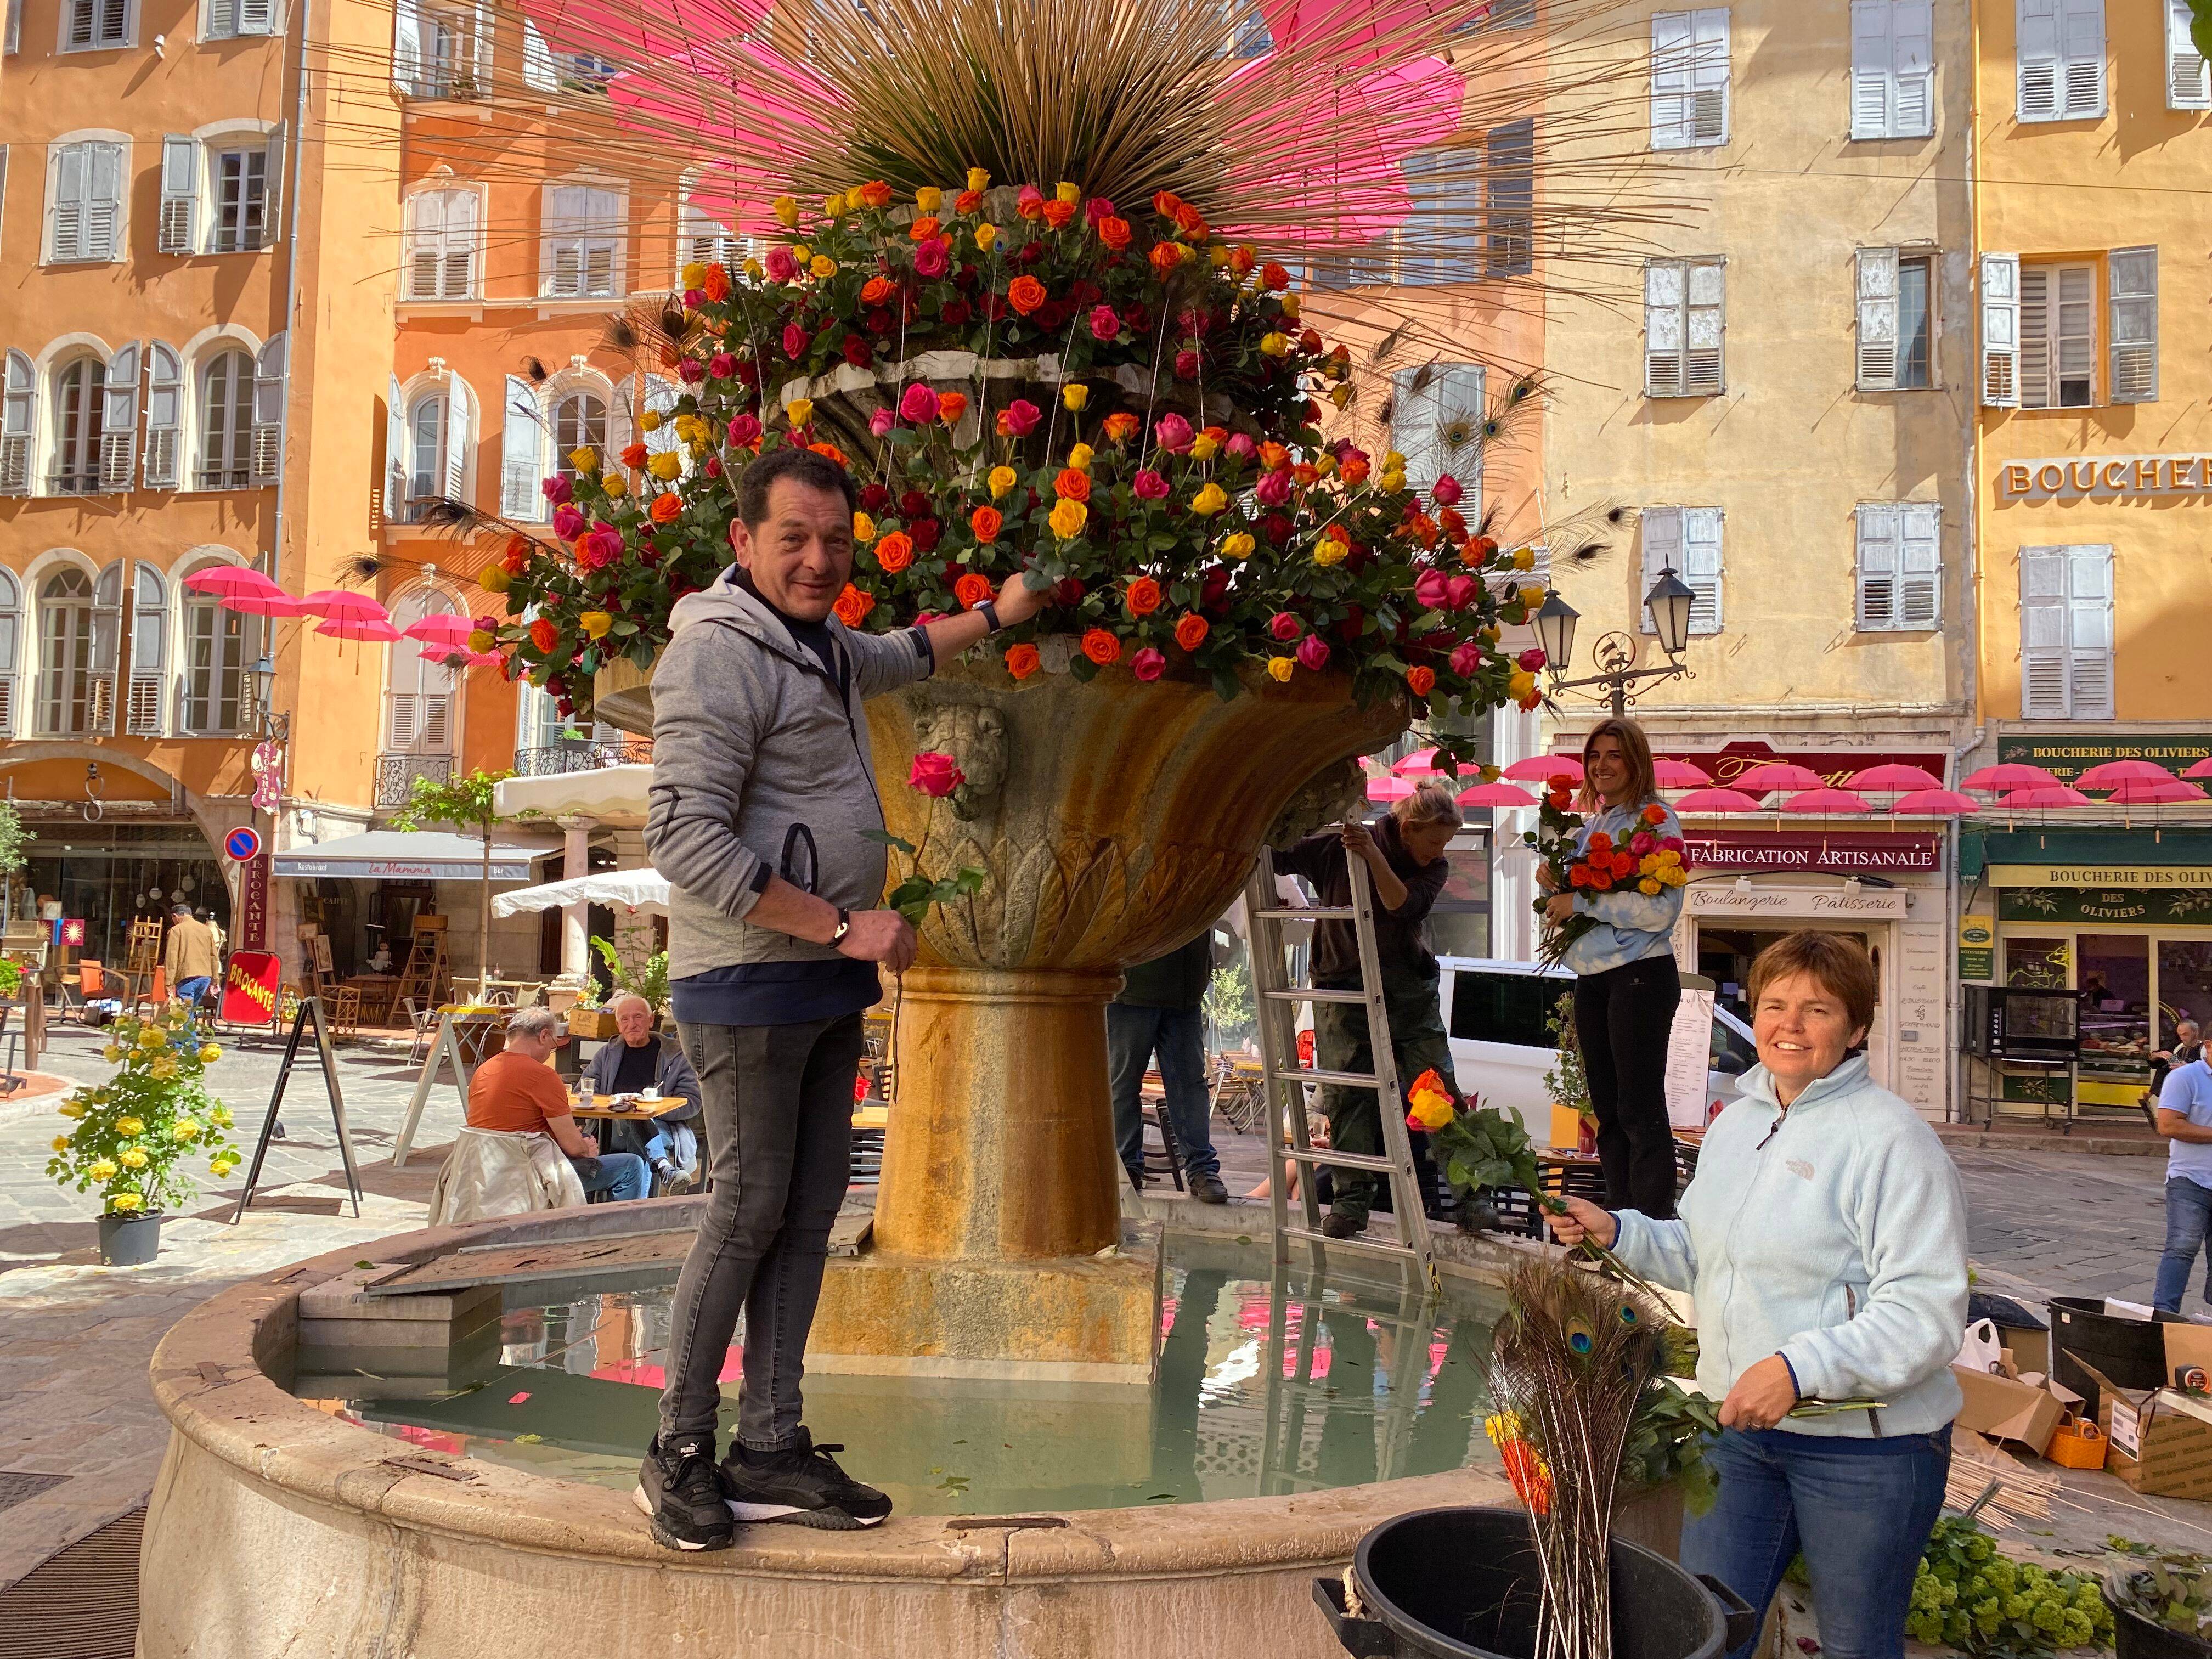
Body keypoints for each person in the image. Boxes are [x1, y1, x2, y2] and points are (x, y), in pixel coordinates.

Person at [639, 443, 1047, 1551]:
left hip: (819, 979)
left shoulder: (814, 646)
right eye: (794, 539)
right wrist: (837, 922)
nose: (818, 560)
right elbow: (678, 835)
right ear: (744, 543)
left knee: (810, 1214)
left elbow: (907, 653)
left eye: (834, 541)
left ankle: (770, 1441)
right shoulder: (721, 655)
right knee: (746, 1209)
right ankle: (678, 1447)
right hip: (748, 976)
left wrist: (997, 616)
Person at [1548, 932, 1966, 1659]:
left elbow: (1924, 1314)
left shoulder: (1894, 1141)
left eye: (1817, 1009)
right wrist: (1615, 1232)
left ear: (1857, 1027)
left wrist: (1797, 1369)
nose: (1789, 1026)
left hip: (1866, 1450)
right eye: (1774, 1005)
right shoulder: (1737, 1124)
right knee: (1703, 1636)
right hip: (1738, 1434)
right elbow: (1704, 1253)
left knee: (1857, 1647)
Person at [1274, 778, 1462, 1240]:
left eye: (1446, 843)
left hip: (1407, 988)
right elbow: (1277, 853)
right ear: (1408, 827)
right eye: (1434, 840)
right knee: (1348, 1097)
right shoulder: (1339, 843)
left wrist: (1372, 857)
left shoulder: (1432, 868)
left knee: (1436, 1091)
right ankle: (1351, 1204)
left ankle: (1469, 1196)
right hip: (1342, 982)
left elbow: (1403, 904)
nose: (1439, 851)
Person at [1540, 716, 1687, 1218]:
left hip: (1640, 974)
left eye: (1613, 756)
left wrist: (1581, 903)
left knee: (1638, 1111)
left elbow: (1661, 910)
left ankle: (1650, 1227)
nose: (1600, 766)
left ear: (1636, 761)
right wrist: (1553, 886)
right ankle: (1618, 1223)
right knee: (1607, 1112)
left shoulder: (1656, 820)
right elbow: (1574, 902)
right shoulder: (1596, 825)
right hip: (1595, 978)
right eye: (1594, 756)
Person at [467, 1007, 650, 1203]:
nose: (550, 1052)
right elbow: (573, 1148)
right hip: (532, 1178)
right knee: (632, 1165)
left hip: (487, 1174)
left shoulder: (483, 1071)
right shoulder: (542, 1075)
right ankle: (615, 1232)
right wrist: (584, 1148)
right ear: (544, 1036)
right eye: (553, 1046)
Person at [1110, 931, 1227, 1203]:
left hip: (1184, 989)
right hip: (1132, 986)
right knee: (1123, 1082)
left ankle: (1201, 1168)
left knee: (1190, 1085)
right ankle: (1127, 1167)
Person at [580, 992, 704, 1192]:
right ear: (619, 1026)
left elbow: (692, 1102)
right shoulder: (607, 1054)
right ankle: (664, 1170)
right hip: (610, 1128)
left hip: (662, 1129)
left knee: (636, 1130)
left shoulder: (675, 1055)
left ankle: (628, 1211)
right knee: (632, 1124)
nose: (632, 1024)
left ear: (651, 1020)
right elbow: (583, 1091)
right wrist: (614, 1105)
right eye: (625, 1020)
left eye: (638, 1017)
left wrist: (652, 1108)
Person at [2152, 1040, 2212, 1314]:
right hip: (2191, 1180)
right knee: (2182, 1247)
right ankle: (2164, 1316)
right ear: (2208, 1045)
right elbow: (2167, 1124)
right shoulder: (2184, 1078)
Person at [163, 903, 218, 1009]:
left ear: (175, 916)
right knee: (193, 1009)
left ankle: (188, 1026)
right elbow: (214, 957)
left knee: (185, 1012)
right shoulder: (206, 930)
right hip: (205, 977)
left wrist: (169, 983)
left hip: (187, 977)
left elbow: (171, 958)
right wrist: (216, 980)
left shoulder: (176, 930)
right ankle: (192, 1025)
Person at [2150, 1018, 2203, 1104]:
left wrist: (2187, 1067)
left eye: (2185, 1035)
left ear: (2195, 1032)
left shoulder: (2204, 1050)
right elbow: (2164, 1070)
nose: (2182, 1038)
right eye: (2180, 1035)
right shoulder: (2178, 1049)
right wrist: (2157, 1055)